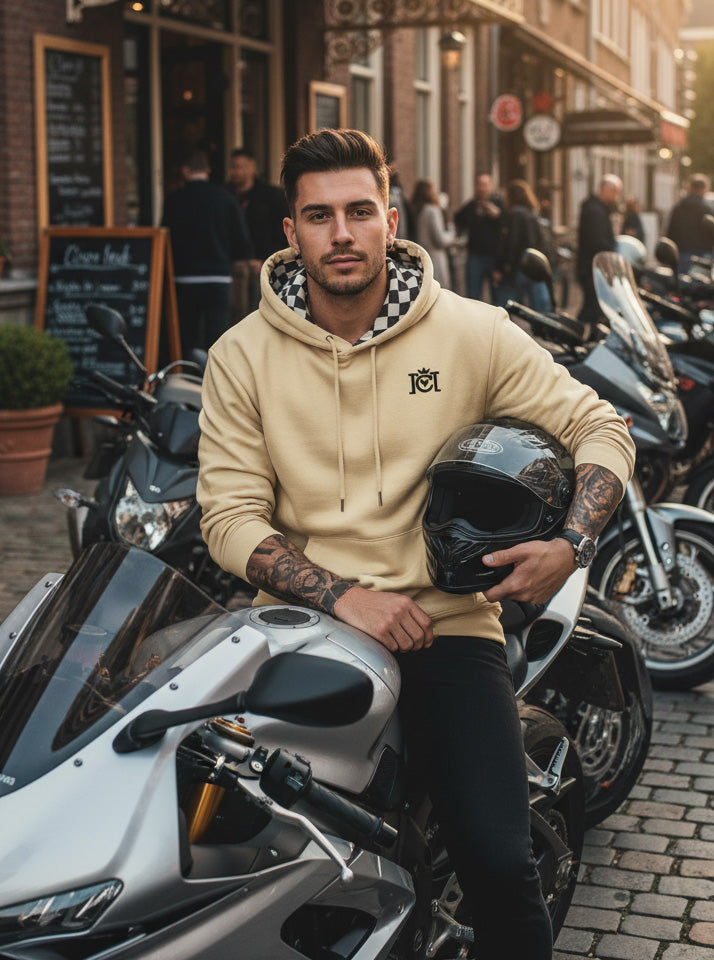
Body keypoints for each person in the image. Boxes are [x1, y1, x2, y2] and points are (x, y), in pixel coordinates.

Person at [196, 129, 635, 959]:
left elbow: (599, 425)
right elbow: (228, 517)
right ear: (289, 233)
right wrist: (344, 595)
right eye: (319, 216)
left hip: (445, 630)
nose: (343, 233)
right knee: (233, 856)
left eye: (360, 211)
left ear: (390, 220)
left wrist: (572, 545)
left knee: (501, 862)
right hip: (295, 629)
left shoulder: (470, 333)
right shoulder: (240, 357)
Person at [161, 149, 252, 354]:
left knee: (186, 337)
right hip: (218, 277)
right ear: (208, 170)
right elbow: (241, 242)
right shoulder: (225, 199)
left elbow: (165, 241)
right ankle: (215, 381)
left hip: (184, 278)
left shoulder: (174, 200)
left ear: (185, 171)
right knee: (217, 338)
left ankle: (186, 378)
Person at [225, 147, 290, 311]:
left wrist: (265, 260)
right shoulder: (224, 196)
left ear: (252, 167)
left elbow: (282, 230)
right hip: (231, 267)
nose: (237, 171)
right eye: (234, 167)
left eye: (242, 166)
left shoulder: (272, 196)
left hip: (264, 265)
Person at [492, 178, 551, 312]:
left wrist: (502, 267)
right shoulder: (532, 214)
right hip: (533, 266)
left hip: (518, 267)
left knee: (505, 304)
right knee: (538, 308)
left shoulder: (515, 214)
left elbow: (512, 243)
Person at [575, 173, 623, 324]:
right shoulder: (596, 211)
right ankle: (577, 336)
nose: (615, 197)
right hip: (592, 266)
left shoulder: (596, 209)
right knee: (592, 308)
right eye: (614, 192)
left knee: (593, 307)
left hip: (591, 265)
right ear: (605, 190)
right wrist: (610, 253)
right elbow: (597, 241)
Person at [454, 172, 504, 301]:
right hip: (475, 255)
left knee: (498, 296)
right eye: (480, 185)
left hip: (495, 256)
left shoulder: (499, 203)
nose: (482, 188)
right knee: (473, 294)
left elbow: (507, 225)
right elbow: (458, 219)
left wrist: (498, 216)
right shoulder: (471, 205)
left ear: (491, 186)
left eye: (485, 185)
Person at [410, 178, 455, 288]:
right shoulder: (432, 210)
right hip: (435, 259)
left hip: (420, 258)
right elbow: (440, 239)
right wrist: (451, 233)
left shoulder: (415, 210)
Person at [665, 173, 714, 273]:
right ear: (704, 189)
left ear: (689, 187)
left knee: (679, 286)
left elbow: (670, 233)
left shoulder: (678, 208)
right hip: (703, 257)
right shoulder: (708, 210)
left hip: (681, 255)